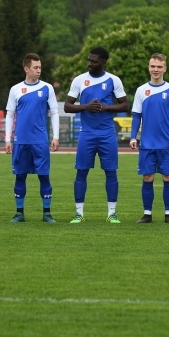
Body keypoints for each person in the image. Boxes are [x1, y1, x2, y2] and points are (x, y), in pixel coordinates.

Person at [64, 47, 129, 224]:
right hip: (87, 133)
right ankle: (79, 214)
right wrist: (85, 106)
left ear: (103, 62)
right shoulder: (79, 80)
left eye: (93, 61)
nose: (90, 63)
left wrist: (106, 107)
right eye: (89, 60)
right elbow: (67, 106)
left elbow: (124, 105)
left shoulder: (113, 80)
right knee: (81, 172)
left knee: (111, 172)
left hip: (107, 133)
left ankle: (112, 214)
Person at [5, 53, 60, 223]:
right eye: (35, 68)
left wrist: (55, 136)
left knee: (44, 176)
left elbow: (54, 112)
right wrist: (8, 138)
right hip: (20, 141)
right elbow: (10, 114)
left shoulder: (47, 88)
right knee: (20, 176)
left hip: (40, 140)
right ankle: (19, 213)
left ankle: (47, 213)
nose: (39, 71)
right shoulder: (15, 89)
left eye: (40, 67)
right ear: (26, 68)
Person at [130, 53, 169, 224]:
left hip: (167, 143)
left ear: (165, 68)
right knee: (147, 177)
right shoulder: (141, 90)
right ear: (149, 67)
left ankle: (168, 214)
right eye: (153, 66)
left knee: (168, 177)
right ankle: (147, 214)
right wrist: (133, 137)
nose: (156, 69)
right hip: (147, 143)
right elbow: (137, 116)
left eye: (159, 67)